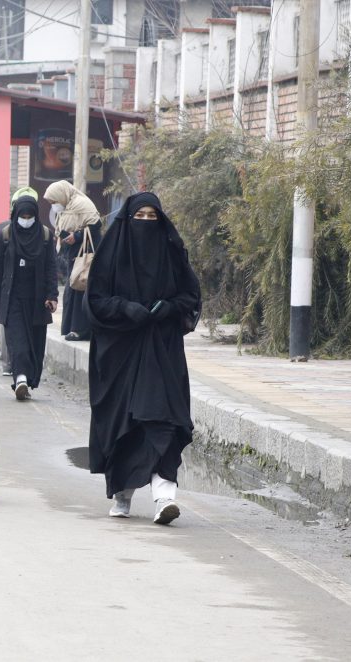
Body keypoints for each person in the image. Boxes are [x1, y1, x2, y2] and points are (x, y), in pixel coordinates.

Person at [85, 192, 201, 525]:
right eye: (140, 217)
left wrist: (169, 307)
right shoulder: (112, 253)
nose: (147, 223)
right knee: (125, 424)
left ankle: (165, 496)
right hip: (120, 350)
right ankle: (122, 494)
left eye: (153, 217)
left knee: (162, 417)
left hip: (161, 349)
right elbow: (96, 300)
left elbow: (189, 295)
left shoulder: (170, 251)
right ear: (127, 219)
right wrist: (125, 308)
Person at [0, 194, 58, 401]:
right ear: (15, 214)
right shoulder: (5, 234)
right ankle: (21, 379)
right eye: (22, 215)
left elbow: (51, 267)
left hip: (38, 299)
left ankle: (28, 378)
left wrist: (52, 295)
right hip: (12, 299)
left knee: (35, 342)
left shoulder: (45, 236)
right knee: (18, 341)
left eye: (30, 216)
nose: (26, 219)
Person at [43, 180, 101, 341]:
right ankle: (72, 328)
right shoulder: (67, 207)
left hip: (85, 255)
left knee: (80, 291)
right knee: (71, 291)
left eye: (54, 201)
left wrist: (76, 236)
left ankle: (81, 329)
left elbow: (96, 225)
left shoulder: (82, 204)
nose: (54, 205)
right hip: (73, 254)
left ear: (62, 195)